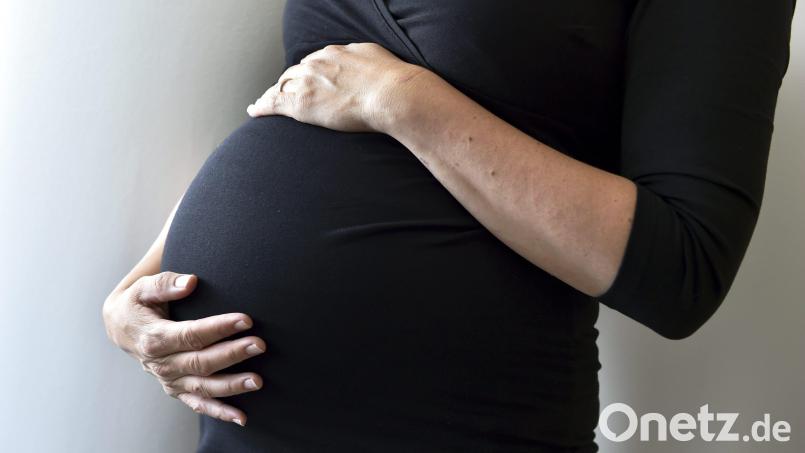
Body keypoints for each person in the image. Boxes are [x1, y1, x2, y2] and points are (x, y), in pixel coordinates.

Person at [102, 0, 796, 451]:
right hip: (243, 419)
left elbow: (682, 270)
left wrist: (402, 99)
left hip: (453, 417)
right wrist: (143, 284)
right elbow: (308, 92)